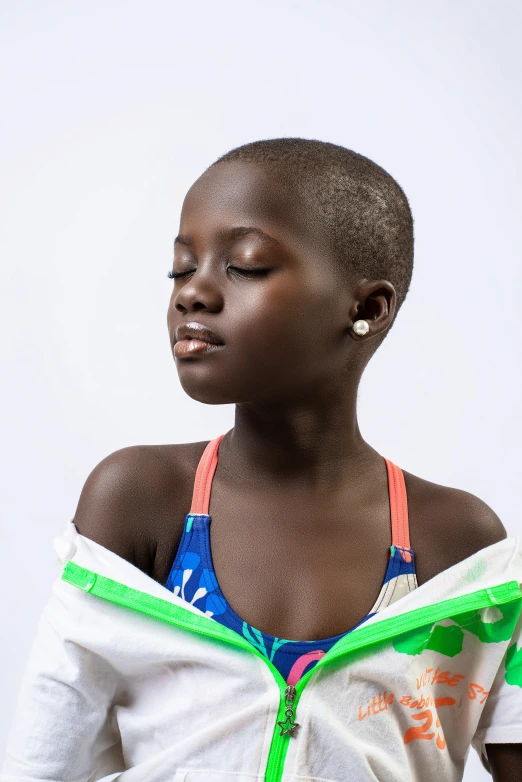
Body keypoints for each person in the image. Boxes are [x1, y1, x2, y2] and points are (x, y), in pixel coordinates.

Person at [2, 138, 521, 782]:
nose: (193, 292)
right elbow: (43, 760)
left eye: (244, 266)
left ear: (366, 308)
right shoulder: (140, 499)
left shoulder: (459, 543)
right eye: (181, 269)